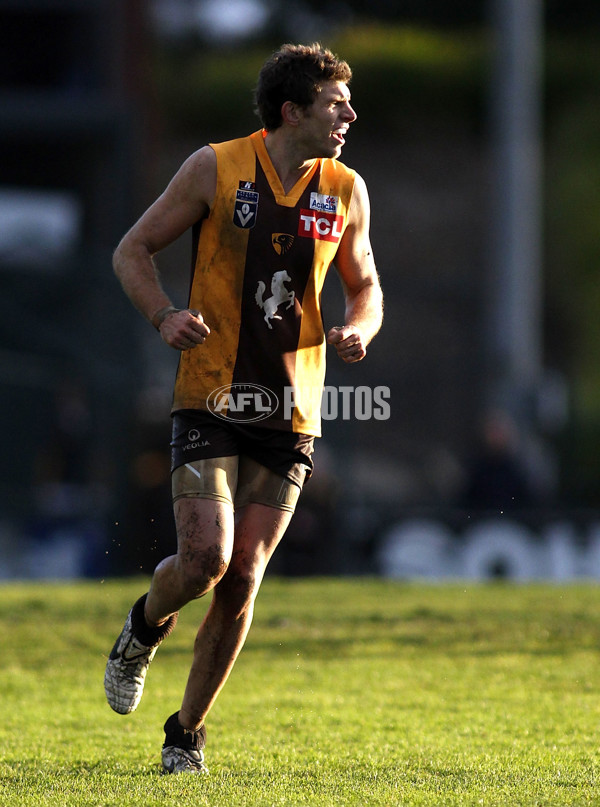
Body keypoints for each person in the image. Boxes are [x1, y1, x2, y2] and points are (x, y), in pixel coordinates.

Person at [104, 42, 383, 775]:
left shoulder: (346, 188)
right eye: (335, 103)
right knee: (204, 558)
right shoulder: (214, 167)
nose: (349, 114)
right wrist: (164, 314)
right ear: (292, 111)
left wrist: (358, 326)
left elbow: (367, 286)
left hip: (292, 408)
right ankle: (142, 625)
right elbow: (133, 249)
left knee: (244, 575)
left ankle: (184, 734)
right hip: (210, 394)